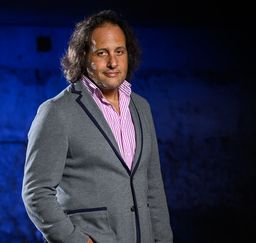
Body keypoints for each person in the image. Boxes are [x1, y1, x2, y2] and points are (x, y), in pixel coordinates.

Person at [21, 9, 173, 243]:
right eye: (102, 53)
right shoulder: (57, 112)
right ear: (82, 56)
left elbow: (153, 186)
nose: (113, 62)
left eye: (119, 52)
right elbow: (36, 193)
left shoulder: (141, 107)